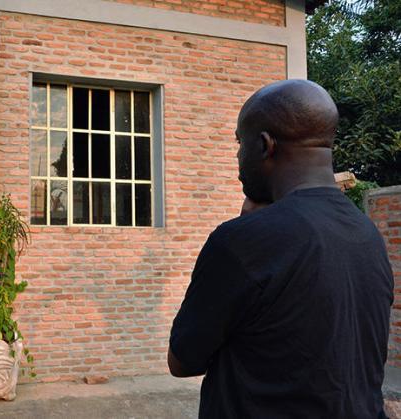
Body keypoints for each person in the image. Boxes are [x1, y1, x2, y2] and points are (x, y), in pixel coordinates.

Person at [168, 79, 393, 418]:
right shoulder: (368, 234)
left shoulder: (242, 242)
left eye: (239, 144)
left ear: (264, 146)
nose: (237, 156)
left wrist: (248, 227)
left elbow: (182, 361)